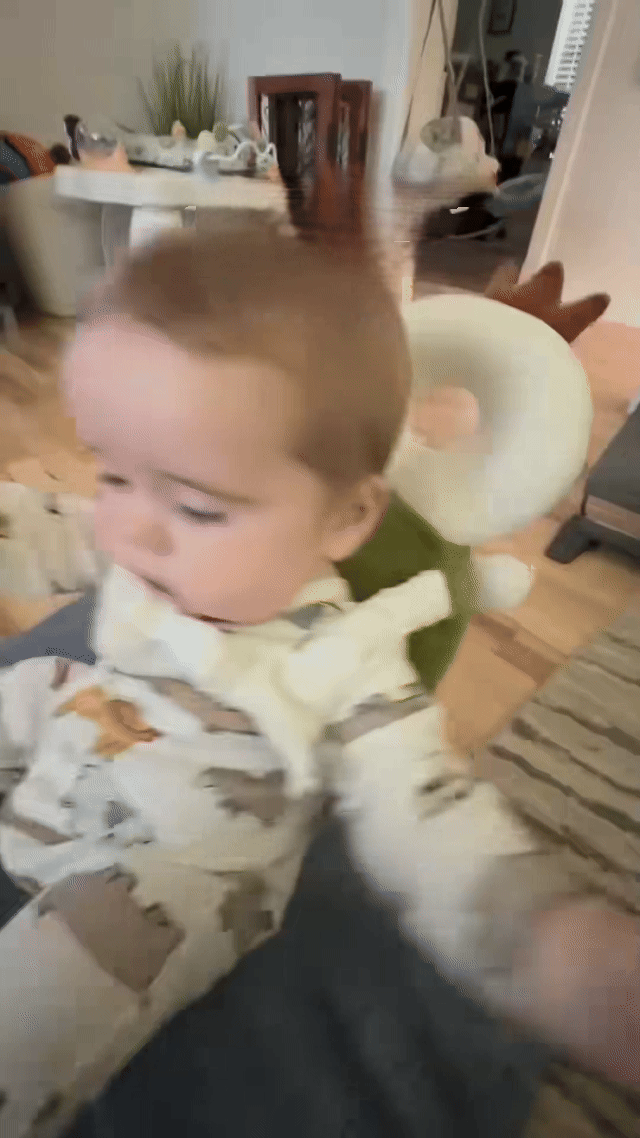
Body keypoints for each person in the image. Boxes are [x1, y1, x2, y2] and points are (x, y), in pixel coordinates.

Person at [0, 231, 634, 1138]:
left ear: (346, 516)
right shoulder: (147, 533)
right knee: (29, 682)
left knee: (66, 986)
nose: (130, 529)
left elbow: (428, 821)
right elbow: (46, 525)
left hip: (167, 861)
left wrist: (553, 947)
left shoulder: (352, 657)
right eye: (112, 473)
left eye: (198, 506)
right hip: (85, 714)